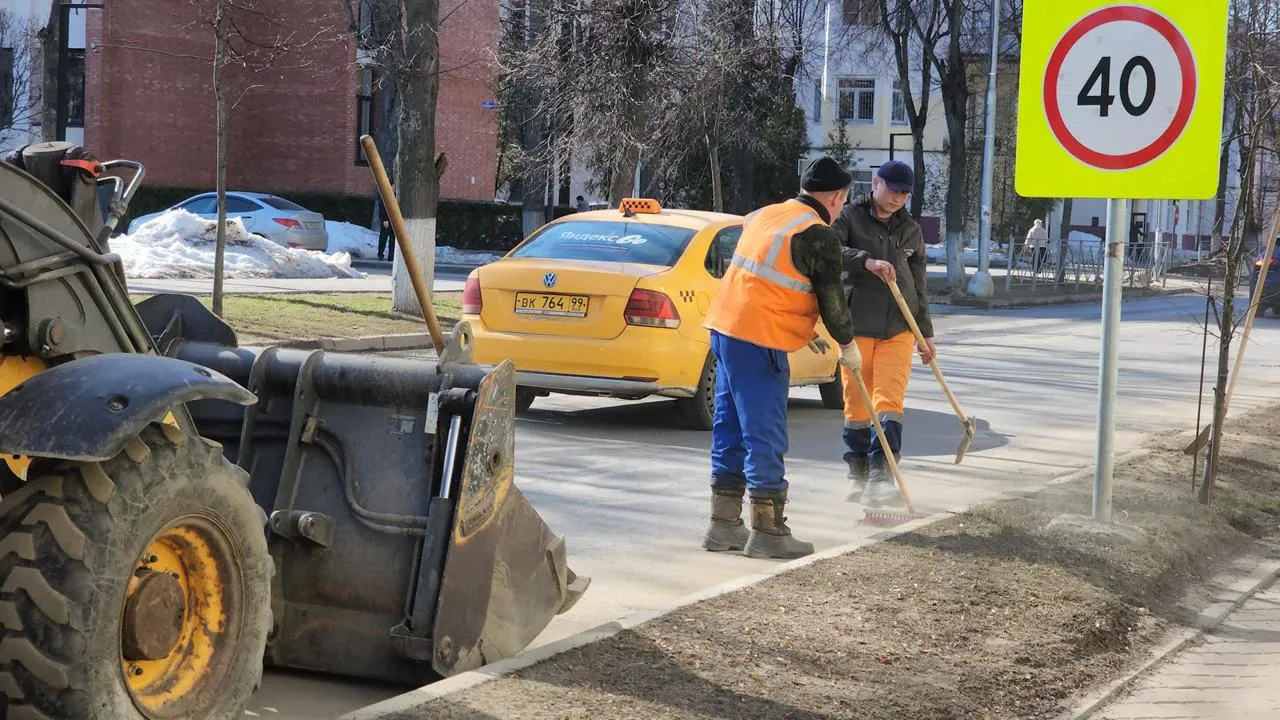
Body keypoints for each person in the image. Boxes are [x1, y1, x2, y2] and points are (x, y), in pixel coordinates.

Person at [702, 156, 863, 560]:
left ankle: (723, 525)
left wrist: (805, 330)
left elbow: (768, 279)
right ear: (836, 197)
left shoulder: (765, 215)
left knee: (730, 427)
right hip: (760, 338)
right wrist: (847, 346)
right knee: (764, 432)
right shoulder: (818, 234)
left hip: (725, 329)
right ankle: (769, 531)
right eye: (843, 201)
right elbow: (833, 303)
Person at [831, 160, 935, 508]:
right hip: (856, 325)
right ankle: (857, 471)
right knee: (857, 400)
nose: (898, 198)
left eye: (905, 194)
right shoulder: (850, 217)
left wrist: (925, 333)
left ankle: (881, 475)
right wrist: (866, 261)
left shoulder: (911, 229)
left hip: (899, 328)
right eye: (893, 190)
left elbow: (919, 284)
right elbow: (830, 251)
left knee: (889, 400)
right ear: (876, 183)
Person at [375, 184, 396, 262]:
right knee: (383, 237)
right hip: (386, 219)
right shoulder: (384, 194)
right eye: (393, 186)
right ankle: (380, 254)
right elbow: (382, 207)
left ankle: (391, 256)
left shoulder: (396, 195)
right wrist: (384, 219)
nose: (394, 188)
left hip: (394, 220)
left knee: (393, 238)